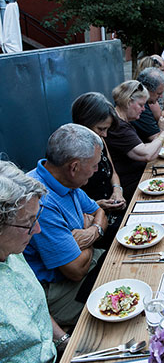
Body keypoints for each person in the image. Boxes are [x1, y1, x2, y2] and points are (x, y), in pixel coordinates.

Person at [25, 123, 108, 326]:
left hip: (84, 262)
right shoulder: (40, 202)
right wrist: (90, 230)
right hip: (57, 290)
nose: (97, 170)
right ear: (74, 167)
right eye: (95, 164)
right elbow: (76, 269)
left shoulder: (64, 180)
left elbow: (99, 212)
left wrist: (91, 231)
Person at [0, 161, 71, 362]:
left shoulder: (13, 252)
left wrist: (65, 341)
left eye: (36, 217)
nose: (37, 229)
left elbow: (35, 309)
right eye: (28, 223)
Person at [72, 92, 127, 247]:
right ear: (84, 123)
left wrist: (117, 190)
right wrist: (98, 205)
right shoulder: (70, 154)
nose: (104, 134)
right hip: (95, 223)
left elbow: (113, 173)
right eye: (101, 129)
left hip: (113, 212)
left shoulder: (99, 141)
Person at [106, 80, 164, 201]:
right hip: (132, 185)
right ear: (128, 102)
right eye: (141, 105)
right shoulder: (119, 127)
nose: (143, 109)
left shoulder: (123, 122)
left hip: (139, 178)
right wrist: (162, 137)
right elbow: (146, 154)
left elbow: (142, 148)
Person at [133, 67, 164, 141]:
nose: (161, 96)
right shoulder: (139, 106)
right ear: (147, 89)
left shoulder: (142, 100)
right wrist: (162, 129)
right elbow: (155, 139)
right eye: (158, 93)